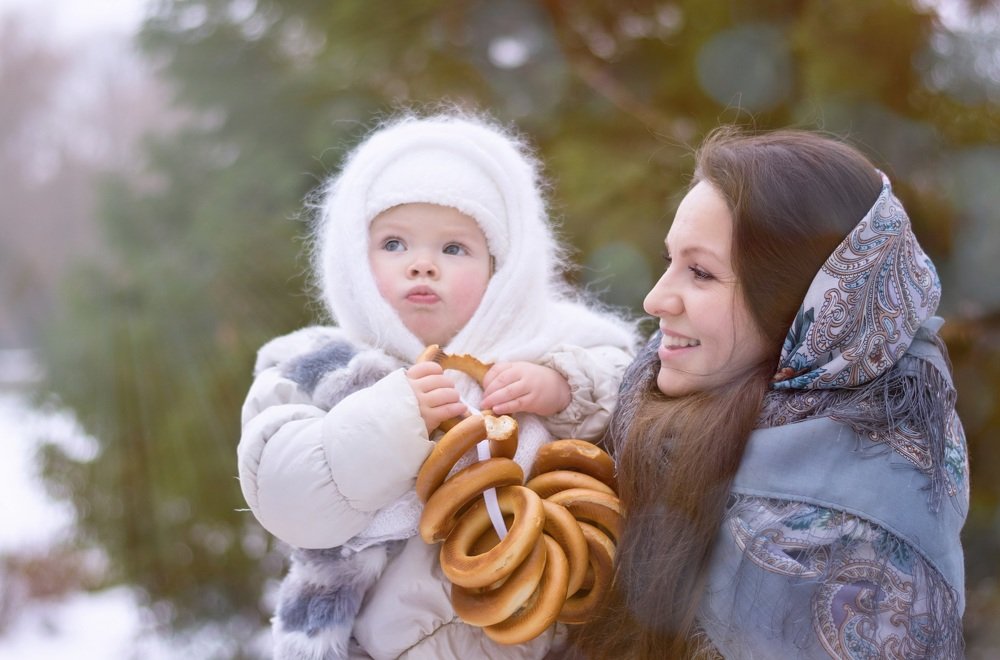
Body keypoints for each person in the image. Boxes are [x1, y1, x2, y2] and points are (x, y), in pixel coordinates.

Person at [236, 110, 638, 659]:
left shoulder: (554, 342)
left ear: (502, 267)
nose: (422, 265)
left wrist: (562, 387)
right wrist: (391, 420)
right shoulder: (316, 363)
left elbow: (635, 393)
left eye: (453, 248)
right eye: (394, 244)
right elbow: (285, 494)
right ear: (353, 259)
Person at [568, 128, 968, 658]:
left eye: (701, 273)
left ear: (806, 306)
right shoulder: (648, 398)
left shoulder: (857, 543)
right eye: (669, 262)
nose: (655, 299)